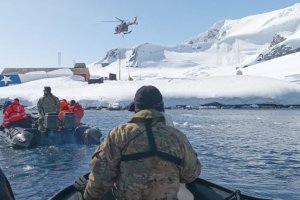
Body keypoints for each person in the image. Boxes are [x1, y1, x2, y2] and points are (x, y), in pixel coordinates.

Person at [84, 85, 201, 200]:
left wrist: (88, 197)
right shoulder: (177, 136)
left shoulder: (118, 134)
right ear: (162, 108)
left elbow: (101, 175)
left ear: (135, 109)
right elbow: (191, 174)